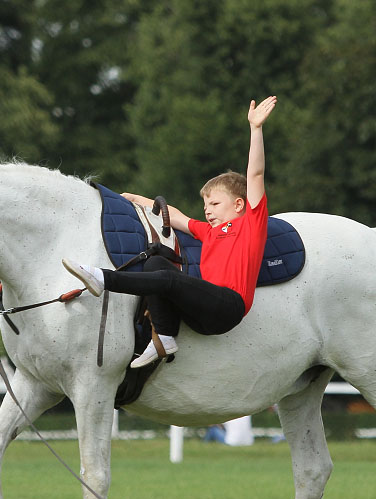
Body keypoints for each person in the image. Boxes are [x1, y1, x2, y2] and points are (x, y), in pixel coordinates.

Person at [64, 96, 278, 368]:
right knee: (154, 262)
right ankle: (164, 336)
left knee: (169, 279)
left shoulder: (251, 223)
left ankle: (102, 279)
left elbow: (255, 175)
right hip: (201, 309)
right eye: (205, 205)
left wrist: (255, 129)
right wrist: (133, 198)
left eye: (214, 203)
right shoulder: (208, 231)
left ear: (238, 204)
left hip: (228, 308)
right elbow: (176, 216)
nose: (207, 210)